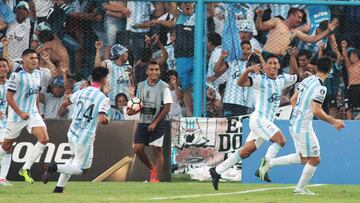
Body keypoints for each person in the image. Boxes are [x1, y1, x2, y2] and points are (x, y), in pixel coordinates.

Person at [209, 55, 298, 190]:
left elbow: (298, 76)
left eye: (275, 63)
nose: (273, 66)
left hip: (266, 123)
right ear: (265, 66)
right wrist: (248, 70)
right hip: (258, 120)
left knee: (245, 152)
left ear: (279, 66)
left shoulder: (282, 79)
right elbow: (240, 83)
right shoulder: (259, 80)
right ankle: (264, 169)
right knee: (281, 141)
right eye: (270, 63)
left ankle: (217, 171)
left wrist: (304, 72)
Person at [263, 57, 345, 195]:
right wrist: (334, 121)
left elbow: (292, 99)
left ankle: (269, 164)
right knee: (315, 159)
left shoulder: (307, 79)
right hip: (303, 127)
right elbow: (316, 110)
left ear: (317, 67)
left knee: (304, 157)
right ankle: (299, 189)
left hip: (294, 123)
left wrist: (298, 114)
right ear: (330, 70)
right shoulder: (321, 88)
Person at [41, 67, 111, 193]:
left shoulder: (81, 91)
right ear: (104, 79)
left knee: (72, 159)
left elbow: (64, 104)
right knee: (83, 169)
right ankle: (53, 167)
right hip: (85, 136)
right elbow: (102, 120)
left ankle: (59, 188)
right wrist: (107, 120)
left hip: (72, 131)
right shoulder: (103, 98)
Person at [0, 49, 49, 184]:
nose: (35, 60)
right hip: (16, 116)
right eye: (31, 58)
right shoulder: (17, 76)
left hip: (32, 113)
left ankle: (25, 168)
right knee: (6, 146)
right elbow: (9, 98)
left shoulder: (38, 74)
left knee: (44, 138)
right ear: (23, 60)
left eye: (36, 58)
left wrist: (38, 113)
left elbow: (36, 95)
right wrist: (20, 113)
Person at [129, 61, 172, 182]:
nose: (154, 72)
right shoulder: (141, 85)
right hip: (143, 121)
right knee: (138, 149)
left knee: (157, 150)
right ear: (147, 71)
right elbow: (138, 104)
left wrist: (154, 122)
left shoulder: (164, 87)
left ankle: (156, 180)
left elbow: (167, 107)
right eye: (152, 70)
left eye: (157, 70)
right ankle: (152, 169)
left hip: (158, 123)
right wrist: (131, 111)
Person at [255, 7, 339, 60]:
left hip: (279, 59)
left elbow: (313, 39)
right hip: (267, 55)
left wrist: (328, 31)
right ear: (291, 15)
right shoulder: (277, 21)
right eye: (299, 17)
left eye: (301, 18)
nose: (300, 20)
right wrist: (259, 17)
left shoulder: (294, 32)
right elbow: (260, 27)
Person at [95, 41, 133, 106]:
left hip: (125, 105)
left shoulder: (128, 67)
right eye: (125, 52)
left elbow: (132, 85)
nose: (127, 54)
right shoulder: (108, 64)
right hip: (111, 104)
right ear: (120, 54)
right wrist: (98, 50)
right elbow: (97, 68)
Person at [341, 41, 360, 120]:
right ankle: (350, 122)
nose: (349, 57)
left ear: (356, 56)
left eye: (351, 55)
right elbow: (345, 57)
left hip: (358, 87)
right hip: (350, 88)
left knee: (357, 108)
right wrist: (344, 47)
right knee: (347, 106)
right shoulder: (349, 66)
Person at [0, 58, 11, 186]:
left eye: (4, 66)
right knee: (6, 146)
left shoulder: (10, 85)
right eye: (0, 66)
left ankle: (2, 178)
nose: (2, 69)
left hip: (4, 122)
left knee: (7, 148)